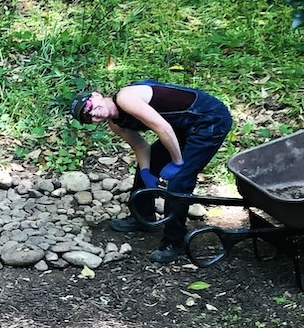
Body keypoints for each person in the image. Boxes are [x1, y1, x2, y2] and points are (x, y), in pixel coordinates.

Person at [69, 79, 233, 264]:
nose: (92, 114)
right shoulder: (116, 124)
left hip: (209, 120)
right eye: (86, 117)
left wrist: (178, 162)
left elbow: (163, 128)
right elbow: (140, 147)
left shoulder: (125, 98)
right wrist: (147, 172)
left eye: (89, 106)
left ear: (97, 95)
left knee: (180, 180)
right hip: (182, 127)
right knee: (147, 165)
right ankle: (143, 216)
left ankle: (174, 240)